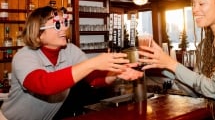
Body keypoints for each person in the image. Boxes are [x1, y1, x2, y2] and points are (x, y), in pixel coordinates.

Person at [0, 6, 143, 120]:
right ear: (38, 33)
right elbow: (44, 85)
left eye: (65, 23)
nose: (64, 29)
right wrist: (92, 63)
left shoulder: (70, 50)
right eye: (57, 25)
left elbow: (92, 78)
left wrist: (116, 74)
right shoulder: (24, 56)